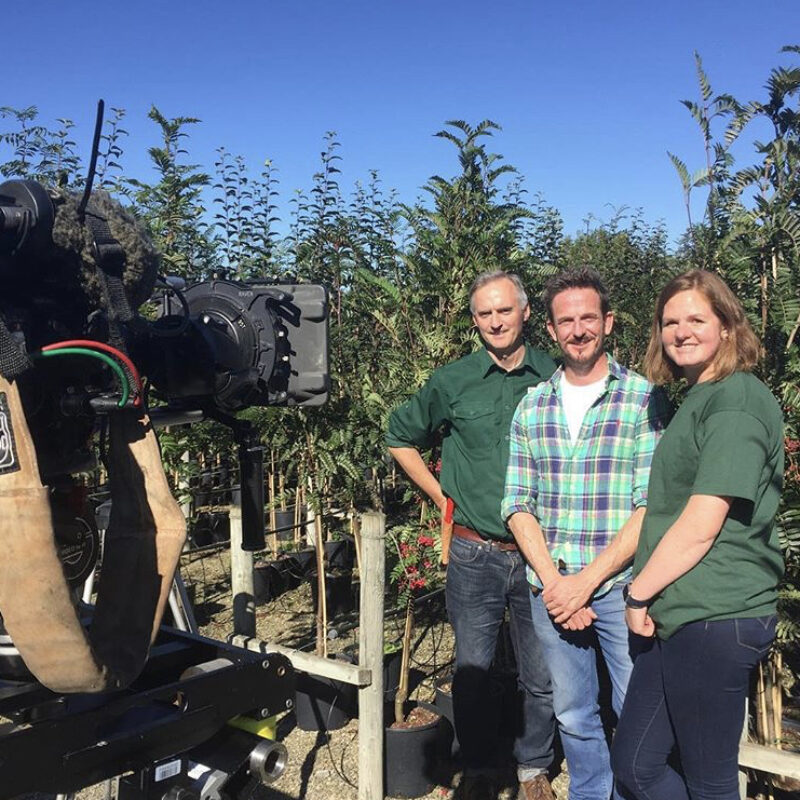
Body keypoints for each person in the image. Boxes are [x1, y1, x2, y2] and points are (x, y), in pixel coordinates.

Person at [610, 270, 784, 800]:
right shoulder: (701, 398)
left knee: (710, 783)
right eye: (670, 322)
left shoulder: (736, 401)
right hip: (682, 609)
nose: (680, 331)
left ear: (728, 326)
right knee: (636, 765)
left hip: (717, 613)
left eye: (696, 319)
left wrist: (637, 591)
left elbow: (702, 522)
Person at [386, 271, 557, 800]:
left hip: (540, 554)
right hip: (473, 551)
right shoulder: (452, 381)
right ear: (475, 320)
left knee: (541, 672)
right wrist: (443, 498)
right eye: (485, 314)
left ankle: (533, 769)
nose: (496, 321)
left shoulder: (555, 377)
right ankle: (482, 766)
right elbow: (399, 436)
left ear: (526, 312)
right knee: (474, 669)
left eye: (504, 310)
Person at [501, 267, 670, 800]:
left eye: (588, 319)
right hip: (550, 591)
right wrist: (556, 584)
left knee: (635, 710)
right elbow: (516, 503)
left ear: (609, 323)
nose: (578, 330)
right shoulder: (533, 405)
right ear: (549, 330)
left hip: (622, 591)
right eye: (566, 320)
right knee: (573, 712)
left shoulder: (645, 400)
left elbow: (651, 507)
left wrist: (586, 582)